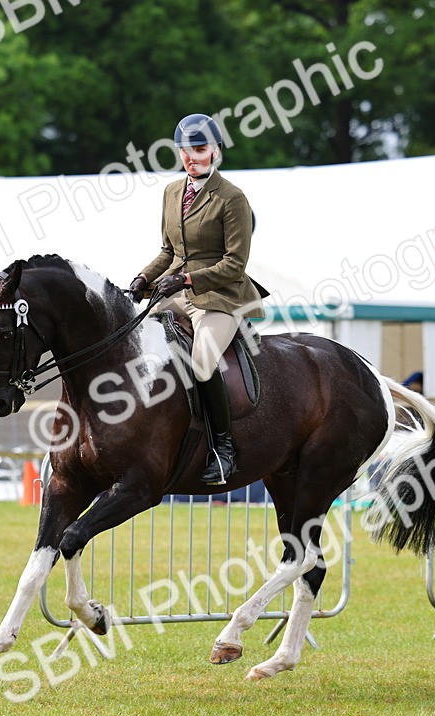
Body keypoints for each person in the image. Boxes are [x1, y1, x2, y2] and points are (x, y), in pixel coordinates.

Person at [128, 113, 265, 485]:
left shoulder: (232, 198)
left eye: (200, 149)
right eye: (185, 151)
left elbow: (235, 264)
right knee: (133, 339)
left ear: (216, 152)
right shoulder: (172, 192)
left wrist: (186, 279)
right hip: (174, 290)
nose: (191, 157)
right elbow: (167, 249)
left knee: (203, 359)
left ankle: (223, 450)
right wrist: (144, 278)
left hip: (220, 295)